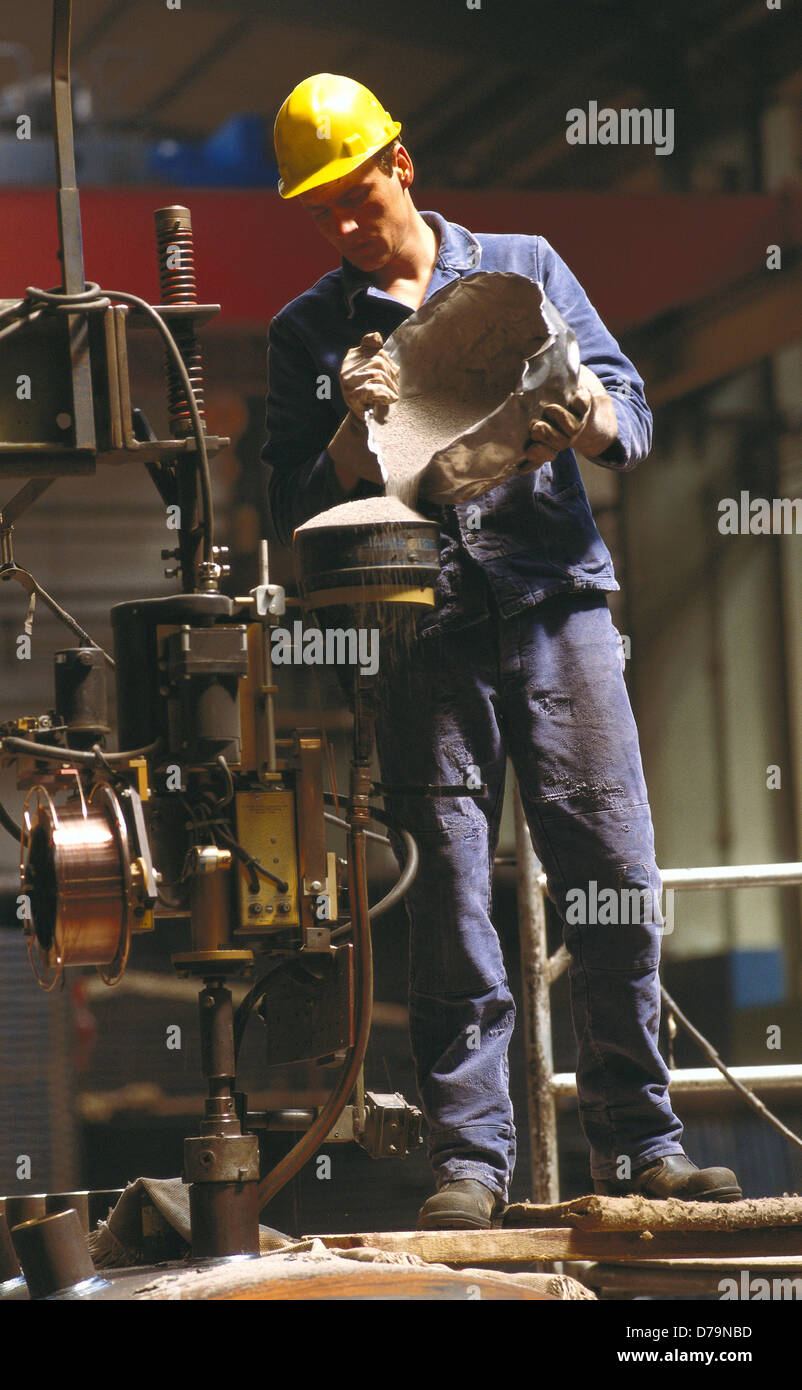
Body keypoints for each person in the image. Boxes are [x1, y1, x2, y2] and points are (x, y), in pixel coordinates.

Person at [261, 73, 741, 1228]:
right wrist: (342, 432)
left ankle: (641, 1146)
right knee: (455, 907)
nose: (341, 226)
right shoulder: (307, 334)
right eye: (318, 208)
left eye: (356, 194)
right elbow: (282, 505)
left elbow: (630, 409)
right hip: (418, 635)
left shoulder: (523, 268)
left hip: (556, 610)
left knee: (615, 882)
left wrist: (585, 417)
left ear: (402, 166)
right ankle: (473, 1162)